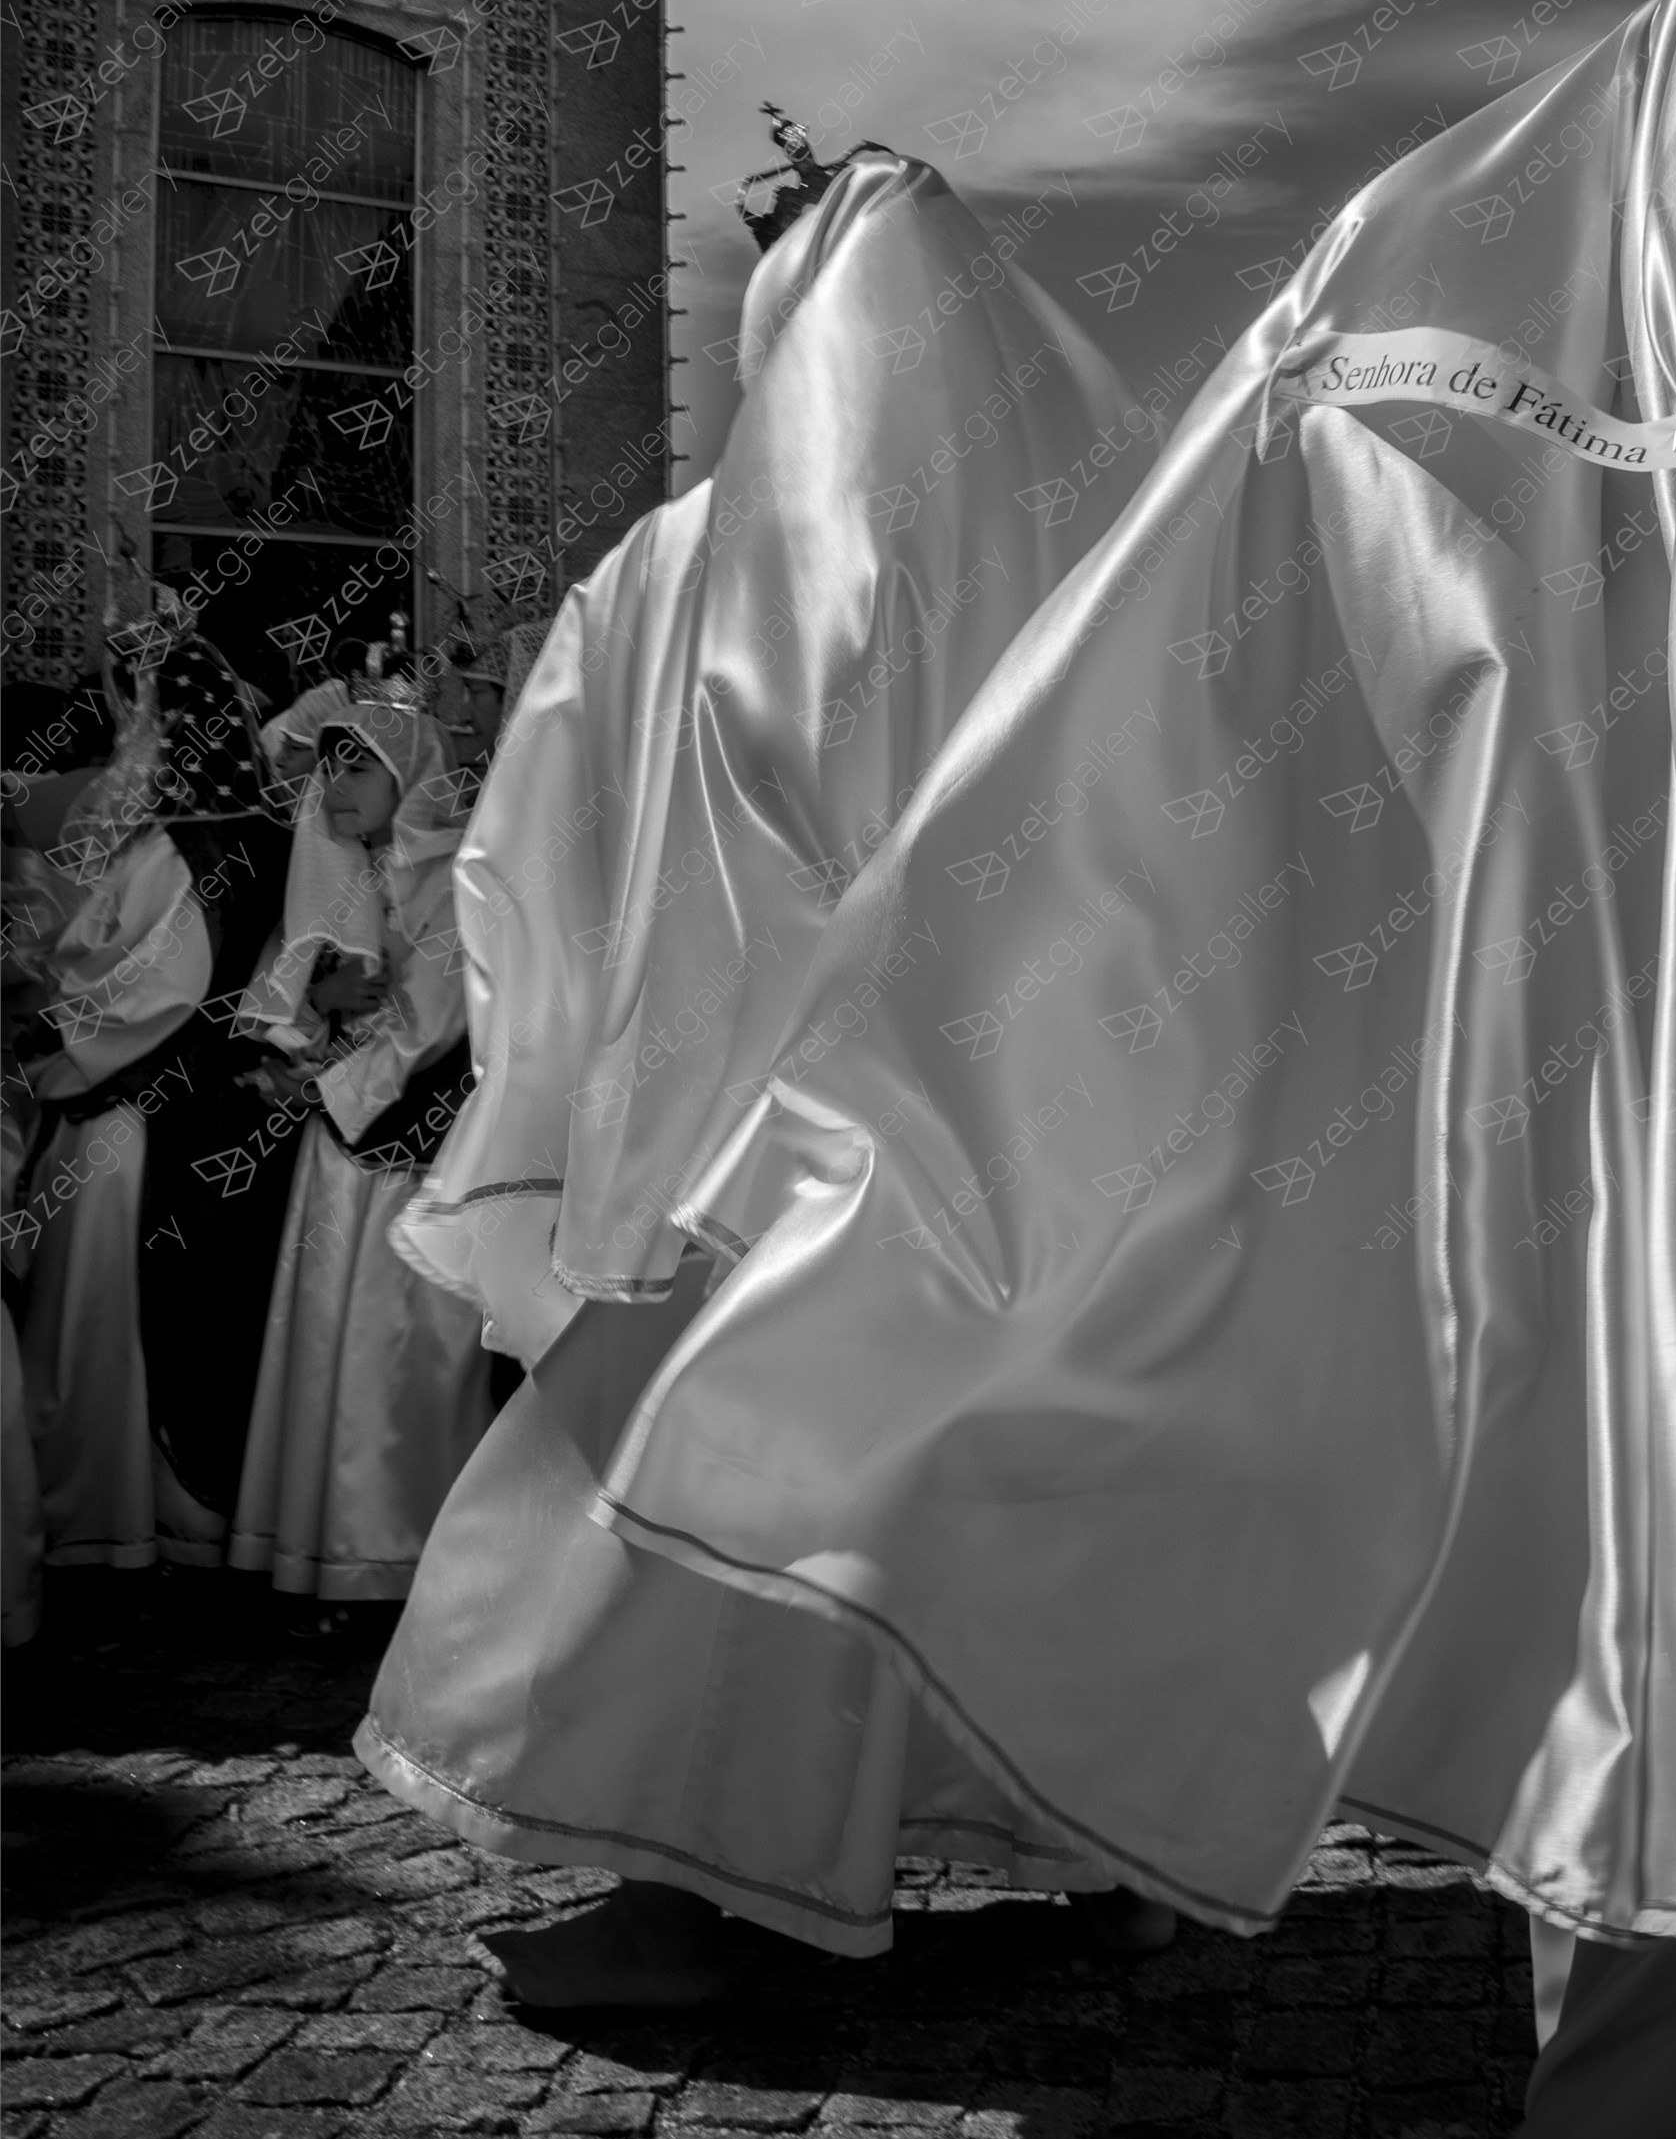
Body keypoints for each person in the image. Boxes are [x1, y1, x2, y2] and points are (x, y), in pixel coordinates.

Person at [360, 0, 1676, 2139]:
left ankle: (760, 1872)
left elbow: (644, 847)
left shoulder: (754, 571)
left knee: (850, 1449)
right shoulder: (1167, 520)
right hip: (1493, 1184)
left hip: (813, 1104)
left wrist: (639, 1084)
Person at [361, 146, 1170, 1990]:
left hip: (728, 1158)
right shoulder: (1074, 557)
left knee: (707, 1504)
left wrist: (555, 1093)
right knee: (1000, 1485)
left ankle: (695, 1882)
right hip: (1000, 1150)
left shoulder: (675, 560)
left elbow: (534, 854)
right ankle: (1100, 1842)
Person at [15, 633, 298, 1563]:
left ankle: (104, 1519)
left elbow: (152, 993)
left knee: (106, 1323)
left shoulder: (194, 846)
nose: (118, 733)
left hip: (140, 1117)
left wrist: (44, 1038)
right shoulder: (207, 831)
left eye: (132, 715)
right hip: (173, 1111)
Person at [229, 698, 491, 1604]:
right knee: (321, 1341)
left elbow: (433, 1025)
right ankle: (315, 1549)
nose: (334, 788)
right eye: (328, 767)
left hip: (410, 1147)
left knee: (394, 1343)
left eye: (359, 769)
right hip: (339, 1144)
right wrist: (307, 1022)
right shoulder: (339, 876)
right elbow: (280, 993)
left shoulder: (459, 879)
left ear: (408, 778)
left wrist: (328, 1068)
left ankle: (394, 1556)